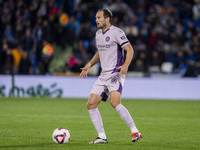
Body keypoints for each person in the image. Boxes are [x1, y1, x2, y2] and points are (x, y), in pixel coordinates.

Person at [80, 8, 142, 144]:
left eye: (99, 18)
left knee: (114, 102)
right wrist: (89, 64)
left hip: (116, 72)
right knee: (90, 104)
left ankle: (135, 131)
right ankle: (101, 136)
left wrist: (125, 65)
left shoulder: (117, 32)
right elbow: (99, 52)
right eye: (96, 18)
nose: (96, 20)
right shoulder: (98, 34)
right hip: (103, 75)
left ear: (107, 19)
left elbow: (129, 49)